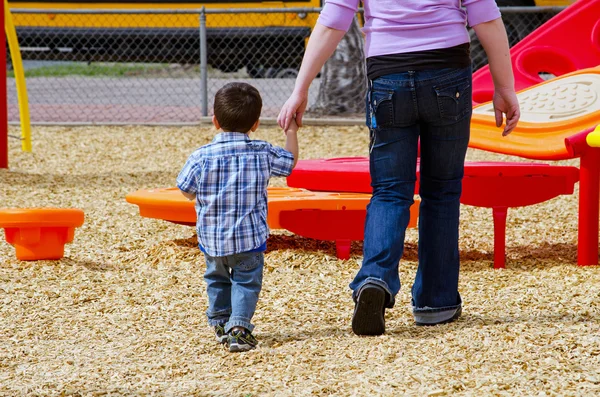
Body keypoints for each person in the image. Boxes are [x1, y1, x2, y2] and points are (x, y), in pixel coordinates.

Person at [278, 0, 520, 335]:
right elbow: (488, 20)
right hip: (447, 71)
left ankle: (376, 278)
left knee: (390, 190)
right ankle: (437, 302)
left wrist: (300, 90)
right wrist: (505, 88)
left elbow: (333, 20)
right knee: (442, 190)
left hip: (387, 73)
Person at [178, 82, 299, 351]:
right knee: (245, 281)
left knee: (216, 278)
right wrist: (291, 131)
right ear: (255, 124)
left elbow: (186, 190)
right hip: (248, 239)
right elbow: (289, 163)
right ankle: (239, 328)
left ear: (214, 121)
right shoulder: (262, 152)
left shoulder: (201, 157)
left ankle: (221, 322)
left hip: (213, 240)